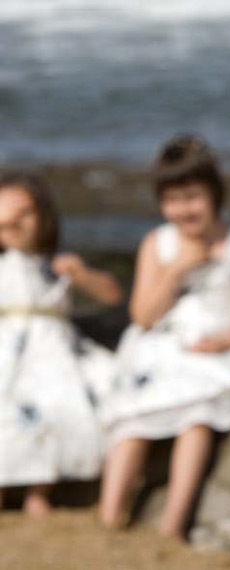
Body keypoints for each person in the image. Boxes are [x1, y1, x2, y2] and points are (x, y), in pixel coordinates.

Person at [98, 135, 230, 540]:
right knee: (132, 419)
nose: (183, 209)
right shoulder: (157, 244)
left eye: (192, 197)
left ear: (215, 195)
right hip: (160, 349)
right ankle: (109, 517)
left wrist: (224, 342)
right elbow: (142, 316)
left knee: (197, 420)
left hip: (214, 351)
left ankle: (172, 526)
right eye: (173, 199)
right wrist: (176, 269)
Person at [0, 171, 122, 517]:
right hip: (7, 350)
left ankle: (40, 488)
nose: (17, 225)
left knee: (63, 404)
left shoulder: (56, 266)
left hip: (53, 351)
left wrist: (80, 274)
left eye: (25, 214)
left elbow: (111, 294)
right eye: (7, 217)